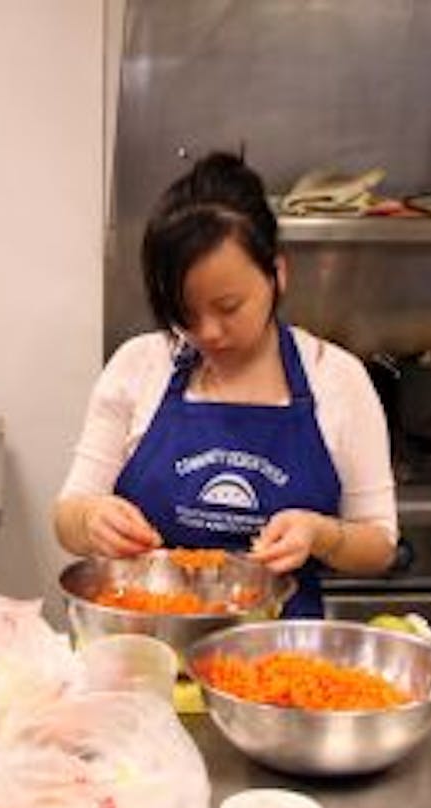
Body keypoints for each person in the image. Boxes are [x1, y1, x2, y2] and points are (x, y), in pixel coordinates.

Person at [53, 153, 397, 617]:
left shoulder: (337, 380)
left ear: (277, 274)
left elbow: (378, 545)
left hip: (280, 663)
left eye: (229, 306)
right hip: (149, 649)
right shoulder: (139, 366)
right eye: (185, 313)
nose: (208, 332)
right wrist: (92, 520)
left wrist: (322, 534)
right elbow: (66, 518)